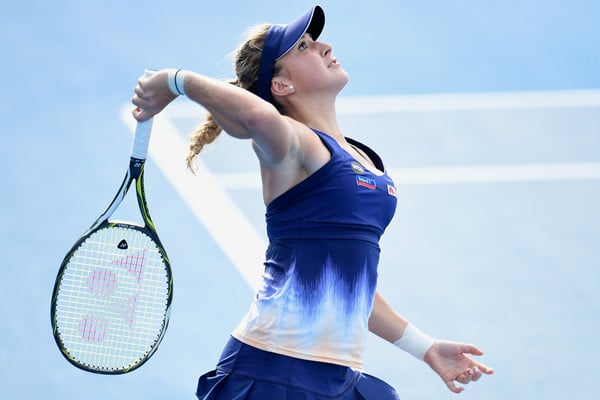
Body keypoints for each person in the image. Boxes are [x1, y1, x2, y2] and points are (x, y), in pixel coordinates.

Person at [132, 5, 493, 399]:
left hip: (334, 378)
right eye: (303, 47)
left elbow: (348, 283)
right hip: (272, 372)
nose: (324, 45)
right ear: (282, 86)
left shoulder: (362, 158)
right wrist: (173, 80)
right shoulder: (292, 144)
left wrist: (425, 347)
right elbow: (255, 117)